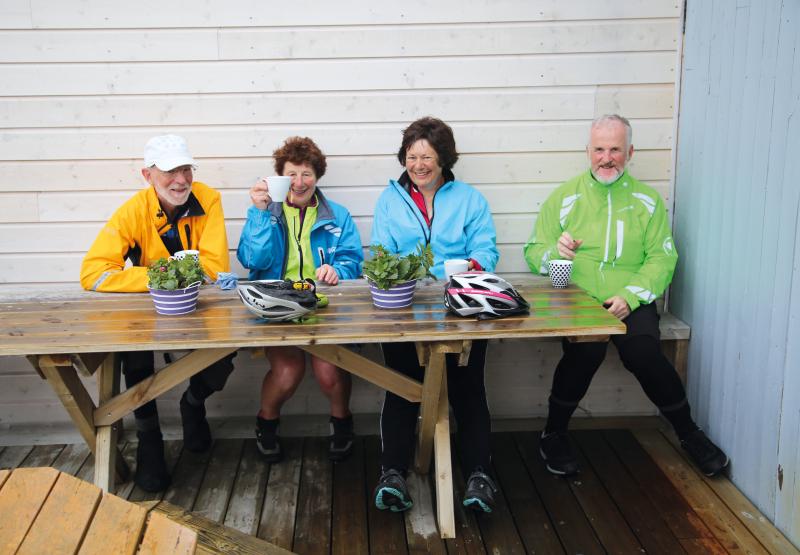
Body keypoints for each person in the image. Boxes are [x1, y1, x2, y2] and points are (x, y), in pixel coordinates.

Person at [523, 114, 729, 477]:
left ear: (630, 151)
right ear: (588, 151)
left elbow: (663, 258)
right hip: (579, 299)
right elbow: (533, 251)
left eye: (615, 149)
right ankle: (553, 434)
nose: (607, 158)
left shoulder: (647, 201)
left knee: (644, 352)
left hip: (630, 299)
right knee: (585, 350)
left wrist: (630, 297)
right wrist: (556, 253)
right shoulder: (565, 197)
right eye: (599, 149)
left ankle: (688, 432)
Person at [80, 134, 236, 492]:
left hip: (201, 304)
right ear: (147, 175)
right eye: (169, 171)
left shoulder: (209, 199)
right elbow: (93, 273)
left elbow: (215, 266)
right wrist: (160, 277)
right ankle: (149, 438)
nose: (180, 179)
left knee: (229, 347)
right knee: (132, 350)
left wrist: (172, 276)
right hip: (150, 309)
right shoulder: (133, 211)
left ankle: (193, 402)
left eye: (185, 169)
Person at [371, 117, 500, 514]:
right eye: (412, 157)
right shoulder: (390, 200)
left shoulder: (469, 199)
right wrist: (397, 270)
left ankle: (479, 476)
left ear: (444, 158)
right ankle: (392, 474)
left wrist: (470, 265)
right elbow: (379, 252)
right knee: (401, 385)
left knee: (467, 387)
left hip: (461, 307)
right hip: (404, 307)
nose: (419, 164)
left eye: (427, 156)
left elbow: (488, 251)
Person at [237, 136, 363, 462]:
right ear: (280, 177)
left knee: (328, 371)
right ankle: (266, 423)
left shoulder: (338, 215)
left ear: (317, 177)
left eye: (307, 173)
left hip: (324, 306)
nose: (299, 181)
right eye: (291, 174)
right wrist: (260, 212)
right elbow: (252, 259)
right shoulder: (268, 212)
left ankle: (341, 422)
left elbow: (352, 261)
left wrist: (338, 271)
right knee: (288, 371)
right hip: (277, 306)